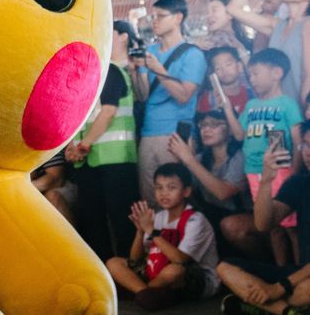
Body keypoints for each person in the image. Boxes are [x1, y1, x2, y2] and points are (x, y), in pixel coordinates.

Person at [218, 124, 310, 315]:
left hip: (303, 281)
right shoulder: (299, 183)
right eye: (306, 145)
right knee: (226, 268)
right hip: (299, 272)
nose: (308, 153)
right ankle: (287, 311)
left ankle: (262, 306)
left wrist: (278, 288)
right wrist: (266, 180)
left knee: (306, 289)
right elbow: (263, 224)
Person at [67, 20, 140, 261]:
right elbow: (79, 117)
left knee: (122, 220)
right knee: (92, 220)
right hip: (88, 161)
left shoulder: (111, 71)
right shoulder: (88, 76)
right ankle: (103, 270)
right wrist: (72, 145)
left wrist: (82, 145)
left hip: (115, 160)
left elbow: (108, 111)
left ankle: (130, 271)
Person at [106, 163, 220, 311]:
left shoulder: (196, 220)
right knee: (114, 263)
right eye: (159, 188)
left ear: (186, 191)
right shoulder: (158, 217)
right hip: (158, 273)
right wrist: (140, 231)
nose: (164, 193)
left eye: (171, 188)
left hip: (196, 277)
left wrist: (152, 231)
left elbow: (180, 260)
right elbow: (135, 260)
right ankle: (146, 293)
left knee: (174, 271)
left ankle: (141, 292)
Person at [130, 0, 208, 206]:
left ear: (178, 18)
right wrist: (136, 72)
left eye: (161, 16)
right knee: (151, 197)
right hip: (148, 133)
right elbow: (142, 95)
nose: (154, 21)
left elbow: (184, 95)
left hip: (175, 134)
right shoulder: (150, 52)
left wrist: (158, 69)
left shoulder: (192, 54)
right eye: (153, 17)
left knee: (178, 197)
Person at [229, 49, 303, 265]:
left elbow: (298, 141)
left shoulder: (287, 104)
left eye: (255, 73)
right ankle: (281, 271)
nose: (251, 79)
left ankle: (298, 270)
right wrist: (226, 108)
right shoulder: (251, 105)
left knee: (291, 227)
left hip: (281, 170)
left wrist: (294, 172)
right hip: (254, 172)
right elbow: (239, 134)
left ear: (277, 73)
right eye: (249, 75)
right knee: (271, 225)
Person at [167, 109, 248, 255]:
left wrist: (189, 159)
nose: (206, 129)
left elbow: (223, 193)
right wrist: (179, 159)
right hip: (210, 215)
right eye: (203, 125)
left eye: (214, 124)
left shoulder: (239, 156)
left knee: (229, 226)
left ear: (230, 130)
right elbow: (184, 190)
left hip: (238, 215)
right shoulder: (201, 158)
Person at [229, 0, 310, 104]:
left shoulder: (307, 24)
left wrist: (304, 111)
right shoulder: (276, 25)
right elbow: (233, 9)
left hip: (300, 108)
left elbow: (309, 75)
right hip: (279, 109)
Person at [197, 46, 253, 116]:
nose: (224, 71)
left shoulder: (252, 93)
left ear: (239, 66)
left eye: (228, 65)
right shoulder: (208, 100)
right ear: (214, 73)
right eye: (218, 68)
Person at [30, 150, 76, 225]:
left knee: (53, 196)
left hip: (60, 187)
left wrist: (24, 189)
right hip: (31, 189)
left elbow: (55, 179)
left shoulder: (49, 149)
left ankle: (66, 232)